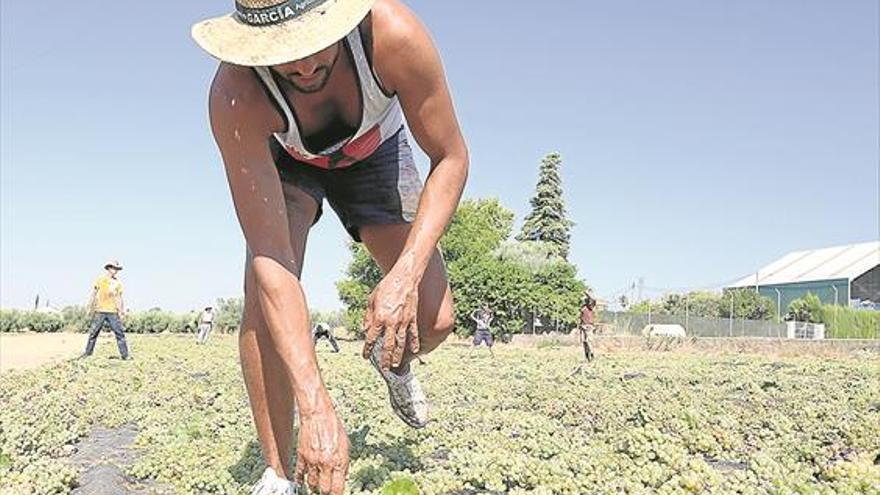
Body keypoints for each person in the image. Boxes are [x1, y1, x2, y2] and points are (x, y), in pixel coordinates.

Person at [191, 0, 468, 492]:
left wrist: (403, 277)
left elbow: (451, 158)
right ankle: (276, 473)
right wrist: (315, 407)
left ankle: (396, 365)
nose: (303, 65)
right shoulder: (236, 95)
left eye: (314, 43)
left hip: (376, 153)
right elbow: (271, 258)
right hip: (291, 165)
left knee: (435, 317)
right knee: (262, 300)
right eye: (283, 52)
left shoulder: (394, 36)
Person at [82, 260, 130, 360]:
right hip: (100, 310)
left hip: (112, 311)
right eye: (113, 268)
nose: (115, 270)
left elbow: (119, 298)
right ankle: (87, 354)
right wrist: (89, 307)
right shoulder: (100, 279)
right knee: (93, 332)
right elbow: (94, 293)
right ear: (108, 268)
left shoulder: (118, 283)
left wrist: (121, 311)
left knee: (119, 333)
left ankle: (125, 355)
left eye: (117, 269)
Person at [580, 294, 597, 362]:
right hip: (583, 326)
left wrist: (586, 293)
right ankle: (587, 356)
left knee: (588, 341)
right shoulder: (583, 308)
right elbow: (581, 317)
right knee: (584, 342)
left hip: (589, 326)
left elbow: (593, 299)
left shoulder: (591, 307)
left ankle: (592, 354)